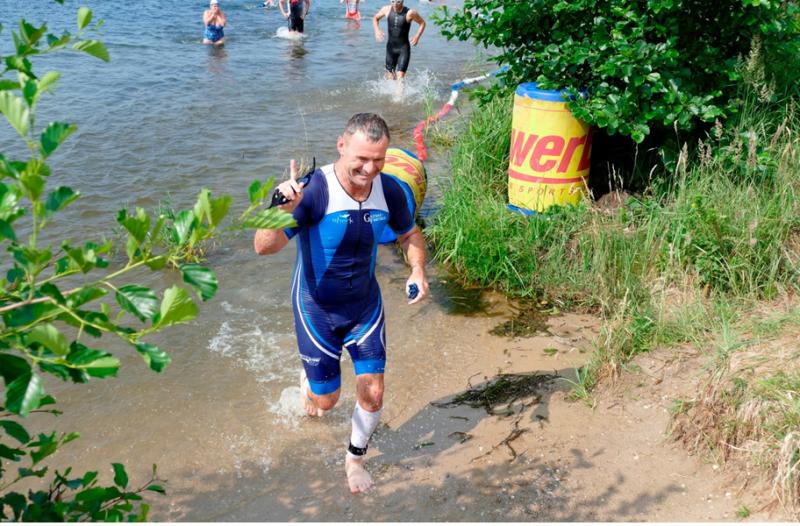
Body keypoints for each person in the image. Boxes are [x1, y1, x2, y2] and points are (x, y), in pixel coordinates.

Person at [254, 113, 429, 494]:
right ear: (341, 146)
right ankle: (310, 382)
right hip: (316, 309)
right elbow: (263, 248)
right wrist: (279, 209)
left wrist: (417, 270)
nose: (369, 169)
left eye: (378, 160)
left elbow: (409, 234)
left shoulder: (390, 190)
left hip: (364, 306)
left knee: (374, 392)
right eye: (362, 159)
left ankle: (354, 460)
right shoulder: (313, 191)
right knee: (325, 401)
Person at [372, 0, 425, 80]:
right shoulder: (386, 9)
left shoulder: (410, 13)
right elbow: (375, 18)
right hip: (390, 49)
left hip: (403, 49)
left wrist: (417, 36)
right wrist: (377, 30)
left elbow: (422, 23)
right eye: (393, 1)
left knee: (400, 77)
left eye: (398, 2)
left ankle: (401, 88)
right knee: (390, 78)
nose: (395, 4)